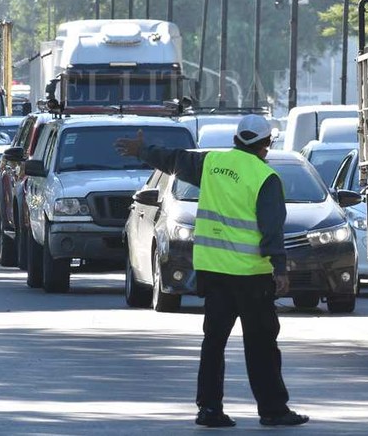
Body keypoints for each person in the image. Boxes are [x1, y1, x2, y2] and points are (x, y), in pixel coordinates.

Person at [115, 115, 309, 429]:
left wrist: (142, 150)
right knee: (261, 345)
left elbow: (173, 160)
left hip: (213, 272)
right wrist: (280, 268)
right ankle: (273, 410)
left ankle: (209, 409)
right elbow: (271, 228)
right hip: (250, 276)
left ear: (237, 138)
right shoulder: (265, 177)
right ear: (266, 144)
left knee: (214, 343)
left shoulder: (213, 163)